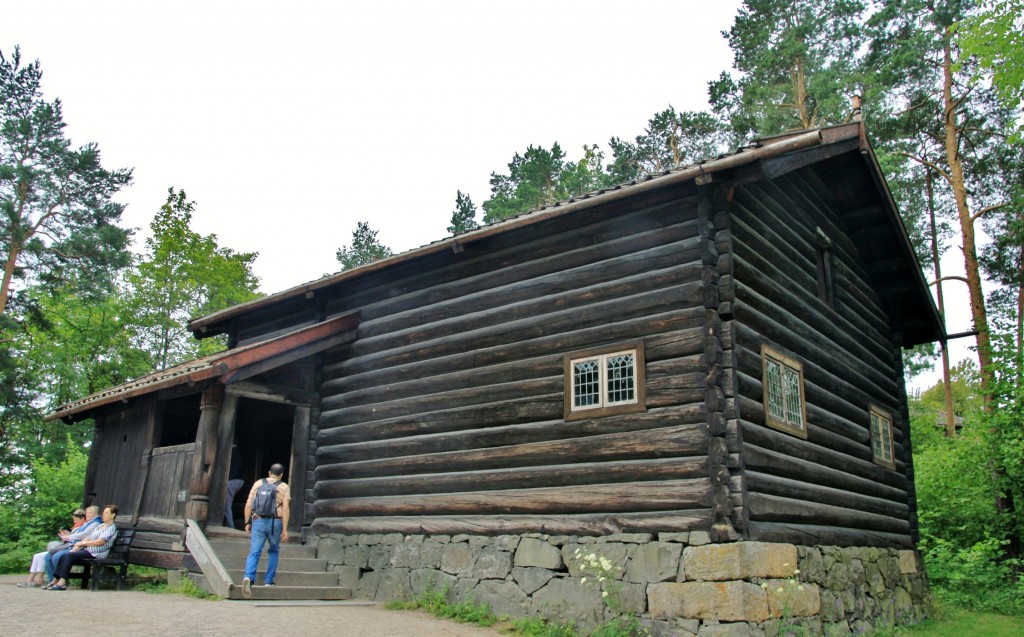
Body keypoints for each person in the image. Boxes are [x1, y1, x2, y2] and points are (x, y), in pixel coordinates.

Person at [241, 463, 290, 598]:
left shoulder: (258, 484)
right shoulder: (284, 487)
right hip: (275, 522)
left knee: (254, 551)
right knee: (273, 551)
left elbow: (249, 504)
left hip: (258, 520)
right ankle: (268, 581)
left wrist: (247, 522)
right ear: (281, 474)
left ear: (269, 473)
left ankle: (248, 576)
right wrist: (285, 529)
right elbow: (285, 508)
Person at [44, 504, 118, 590]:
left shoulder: (111, 528)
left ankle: (62, 582)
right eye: (103, 513)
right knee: (65, 555)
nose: (103, 515)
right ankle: (56, 579)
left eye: (106, 513)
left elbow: (100, 542)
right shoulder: (100, 526)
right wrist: (79, 543)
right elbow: (89, 536)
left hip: (97, 553)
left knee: (68, 555)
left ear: (113, 515)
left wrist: (83, 544)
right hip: (88, 551)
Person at [16, 509, 87, 588]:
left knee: (48, 556)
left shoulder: (83, 527)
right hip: (63, 547)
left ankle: (46, 580)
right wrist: (65, 536)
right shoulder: (75, 527)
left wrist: (68, 536)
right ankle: (32, 580)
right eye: (74, 518)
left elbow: (76, 538)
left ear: (82, 518)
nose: (74, 520)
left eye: (76, 519)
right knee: (38, 556)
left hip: (69, 547)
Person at [223, 443, 244, 528]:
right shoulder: (236, 452)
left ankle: (230, 526)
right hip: (238, 480)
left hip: (232, 480)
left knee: (226, 505)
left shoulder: (231, 451)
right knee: (227, 504)